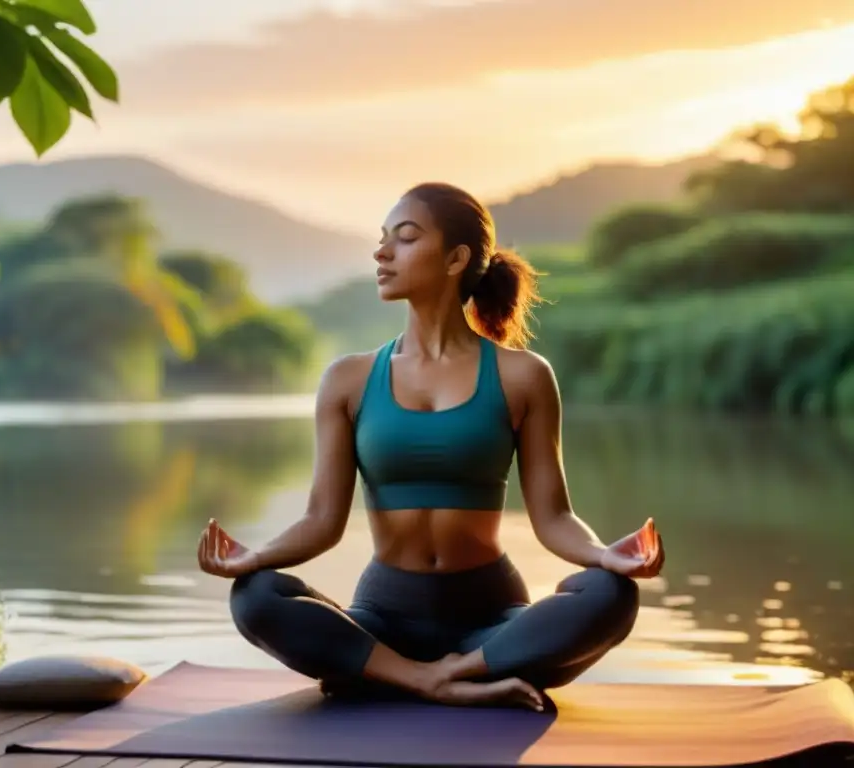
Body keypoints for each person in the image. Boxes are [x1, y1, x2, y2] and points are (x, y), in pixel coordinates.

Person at [196, 181, 665, 711]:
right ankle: (426, 679)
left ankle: (439, 672)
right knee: (256, 597)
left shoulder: (523, 376)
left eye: (406, 237)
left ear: (456, 258)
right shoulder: (349, 380)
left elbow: (554, 517)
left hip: (491, 622)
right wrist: (253, 557)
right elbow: (322, 521)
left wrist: (607, 555)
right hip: (384, 619)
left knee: (611, 595)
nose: (382, 251)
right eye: (382, 238)